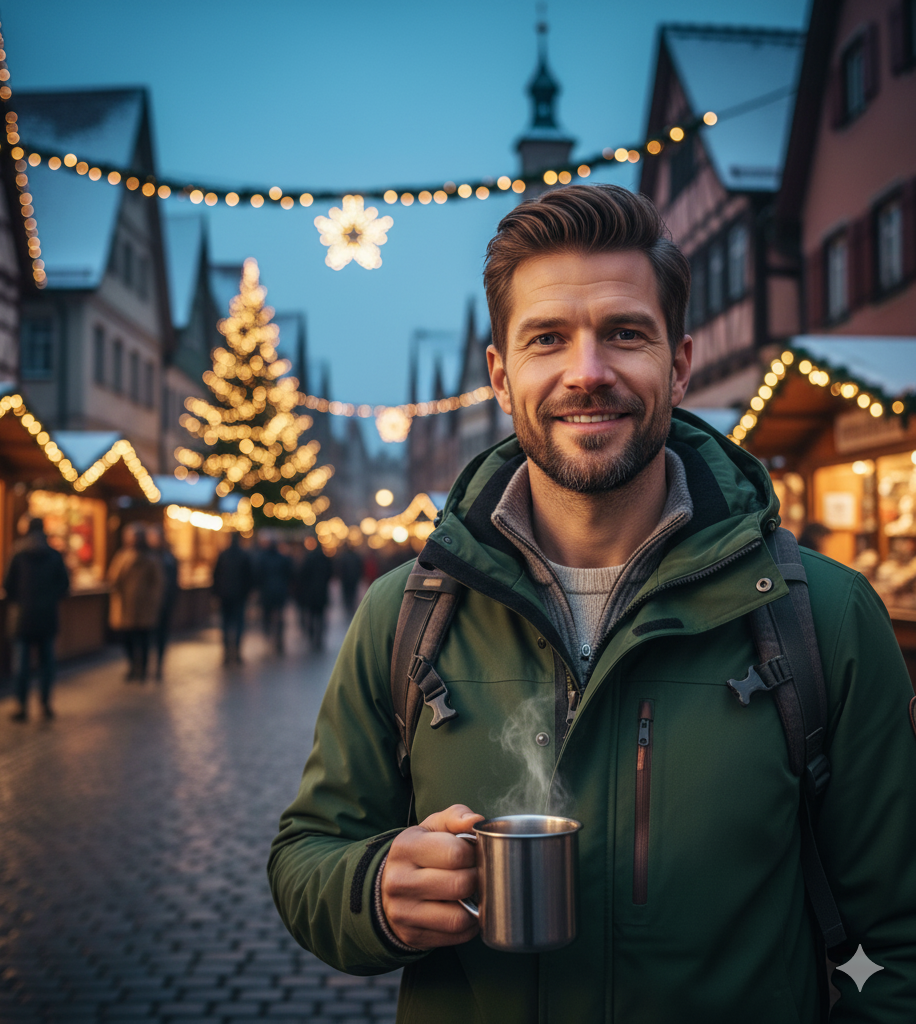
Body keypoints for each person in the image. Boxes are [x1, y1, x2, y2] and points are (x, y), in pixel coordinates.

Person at [269, 185, 916, 1022]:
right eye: (547, 339)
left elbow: (900, 940)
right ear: (502, 375)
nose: (587, 372)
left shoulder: (822, 616)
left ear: (677, 364)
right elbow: (306, 855)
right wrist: (371, 889)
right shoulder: (406, 616)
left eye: (625, 334)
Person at [4, 517, 70, 721]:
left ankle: (21, 706)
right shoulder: (54, 555)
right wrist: (49, 599)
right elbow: (65, 586)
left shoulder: (18, 555)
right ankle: (45, 704)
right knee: (47, 664)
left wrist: (22, 601)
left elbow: (8, 586)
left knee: (21, 665)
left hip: (23, 616)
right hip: (47, 616)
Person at [107, 523, 164, 682]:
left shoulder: (151, 559)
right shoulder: (123, 557)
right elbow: (113, 578)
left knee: (144, 639)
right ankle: (133, 666)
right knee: (128, 639)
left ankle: (142, 669)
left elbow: (157, 584)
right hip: (126, 607)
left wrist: (153, 602)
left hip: (144, 607)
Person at [212, 535, 255, 664]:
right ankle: (236, 651)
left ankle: (226, 652)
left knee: (226, 623)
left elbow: (215, 575)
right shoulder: (244, 556)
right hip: (239, 596)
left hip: (225, 595)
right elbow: (249, 577)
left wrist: (216, 593)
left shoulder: (223, 555)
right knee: (238, 624)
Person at [147, 524, 179, 679]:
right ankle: (144, 664)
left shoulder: (168, 557)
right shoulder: (146, 556)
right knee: (147, 634)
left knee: (161, 635)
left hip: (164, 601)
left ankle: (158, 663)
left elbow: (174, 581)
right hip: (148, 603)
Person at [256, 536, 293, 655]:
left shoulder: (263, 559)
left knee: (267, 615)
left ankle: (269, 634)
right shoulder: (283, 559)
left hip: (267, 592)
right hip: (280, 592)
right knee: (279, 615)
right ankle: (278, 636)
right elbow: (289, 574)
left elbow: (259, 576)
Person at [297, 538, 333, 652]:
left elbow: (302, 575)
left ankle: (312, 634)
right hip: (322, 591)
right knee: (320, 616)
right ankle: (319, 636)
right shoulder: (325, 559)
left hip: (311, 593)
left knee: (311, 615)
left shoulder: (308, 559)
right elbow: (330, 573)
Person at [335, 543, 364, 612]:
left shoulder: (343, 557)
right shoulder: (356, 557)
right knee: (352, 593)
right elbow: (360, 567)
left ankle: (348, 605)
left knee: (346, 593)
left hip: (346, 579)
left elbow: (340, 568)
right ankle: (351, 605)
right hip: (354, 578)